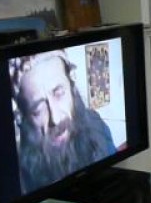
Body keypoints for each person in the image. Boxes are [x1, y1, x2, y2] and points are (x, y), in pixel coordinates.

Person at [11, 50, 116, 194]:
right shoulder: (18, 180)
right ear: (23, 119)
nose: (56, 118)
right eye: (38, 110)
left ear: (72, 88)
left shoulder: (97, 126)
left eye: (59, 94)